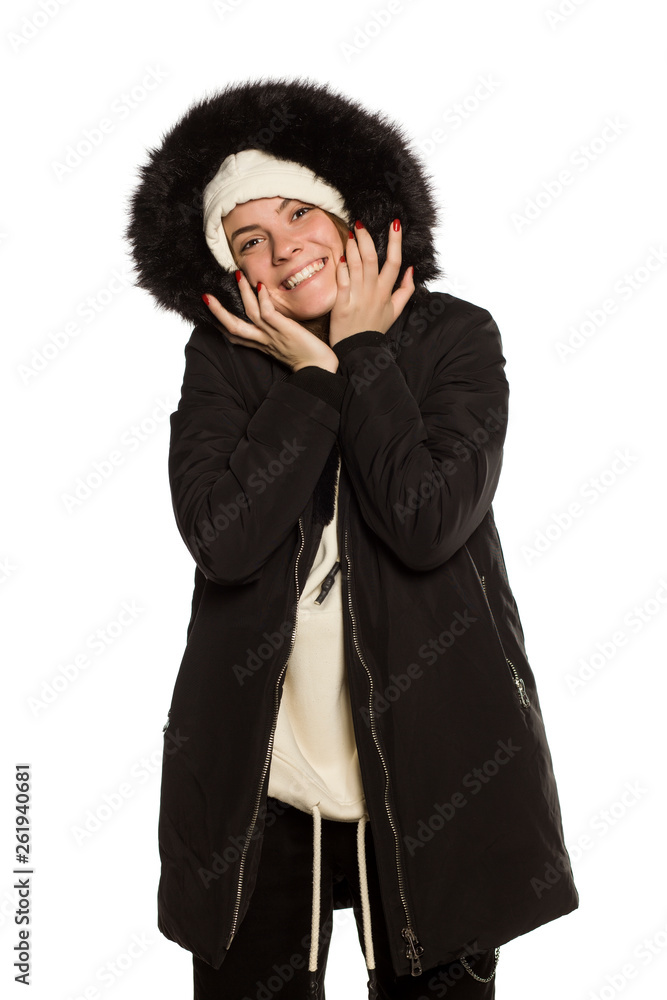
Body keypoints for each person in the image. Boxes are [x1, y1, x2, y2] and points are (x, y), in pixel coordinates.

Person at [125, 77, 579, 1000]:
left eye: (298, 213)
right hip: (263, 783)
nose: (283, 245)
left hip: (437, 770)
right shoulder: (220, 364)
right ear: (231, 273)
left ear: (354, 221)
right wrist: (312, 382)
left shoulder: (457, 338)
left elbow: (426, 520)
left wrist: (362, 354)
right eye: (249, 238)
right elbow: (222, 539)